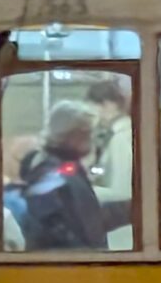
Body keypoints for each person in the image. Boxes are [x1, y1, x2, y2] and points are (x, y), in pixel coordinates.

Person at [15, 101, 131, 250]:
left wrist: (128, 210)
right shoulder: (51, 173)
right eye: (87, 133)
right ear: (70, 134)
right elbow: (67, 229)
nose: (91, 139)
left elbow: (83, 217)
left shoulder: (66, 168)